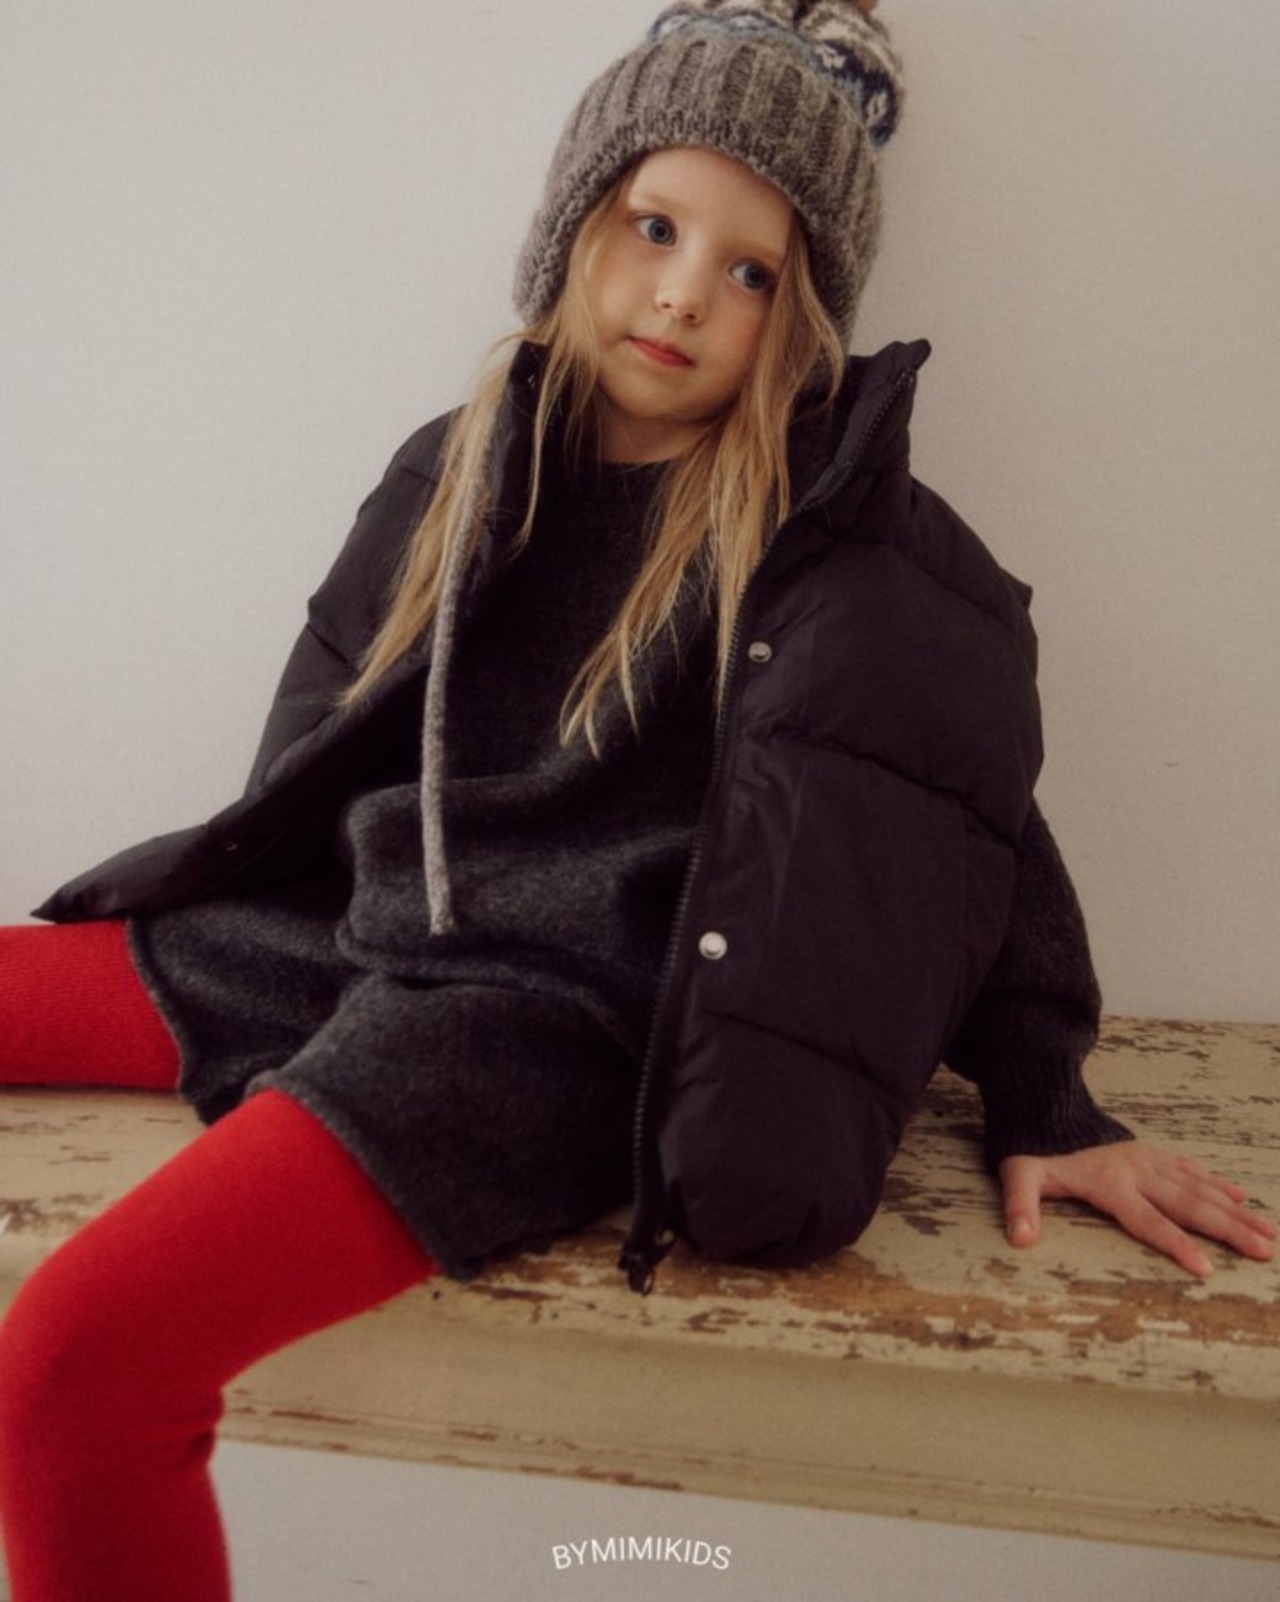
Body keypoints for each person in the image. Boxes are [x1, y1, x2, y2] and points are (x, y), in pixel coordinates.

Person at [0, 2, 1273, 1598]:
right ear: (574, 224)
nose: (681, 291)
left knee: (76, 1358)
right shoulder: (462, 458)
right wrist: (246, 889)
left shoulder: (822, 538)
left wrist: (1047, 1096)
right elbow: (325, 720)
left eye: (750, 271)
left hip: (544, 1028)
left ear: (802, 314)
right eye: (653, 226)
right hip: (363, 931)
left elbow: (955, 809)